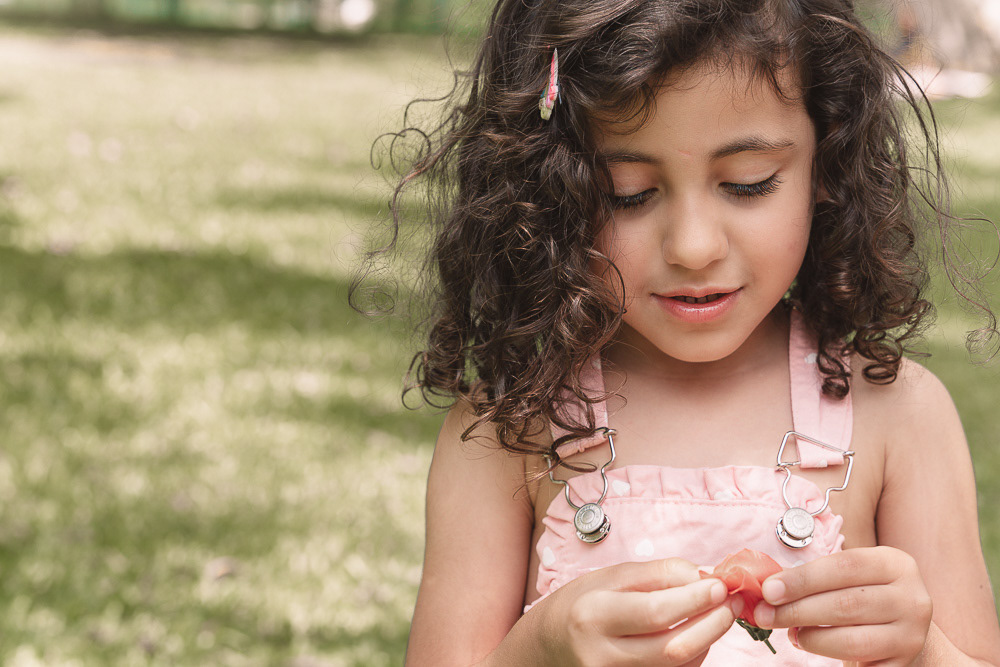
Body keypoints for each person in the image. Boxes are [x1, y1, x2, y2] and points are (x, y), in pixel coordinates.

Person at [367, 0, 1000, 664]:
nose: (694, 247)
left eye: (748, 184)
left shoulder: (899, 416)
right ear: (552, 187)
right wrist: (540, 647)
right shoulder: (509, 430)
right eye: (627, 193)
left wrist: (923, 651)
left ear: (828, 158)